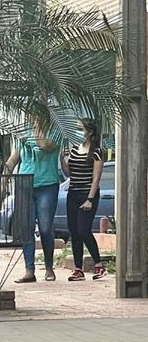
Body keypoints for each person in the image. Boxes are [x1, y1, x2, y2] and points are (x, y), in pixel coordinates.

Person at [2, 122, 60, 283]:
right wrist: (3, 182)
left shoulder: (56, 131)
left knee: (46, 228)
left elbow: (45, 146)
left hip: (47, 185)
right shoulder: (21, 134)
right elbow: (13, 159)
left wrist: (37, 129)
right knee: (25, 227)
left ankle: (49, 267)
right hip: (24, 184)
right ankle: (29, 269)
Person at [60, 118, 106, 281]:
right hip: (73, 193)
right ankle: (78, 269)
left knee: (84, 229)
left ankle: (99, 264)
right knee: (74, 231)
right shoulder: (74, 149)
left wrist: (90, 199)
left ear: (90, 132)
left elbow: (96, 178)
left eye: (81, 129)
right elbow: (69, 173)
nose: (78, 132)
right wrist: (62, 159)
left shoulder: (96, 151)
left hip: (87, 193)